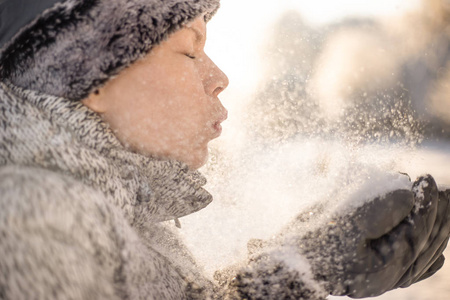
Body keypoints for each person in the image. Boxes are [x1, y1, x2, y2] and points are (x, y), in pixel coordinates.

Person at [0, 0, 449, 299]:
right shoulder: (34, 211)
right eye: (190, 53)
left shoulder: (105, 203)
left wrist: (296, 264)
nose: (220, 78)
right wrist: (301, 271)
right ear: (88, 76)